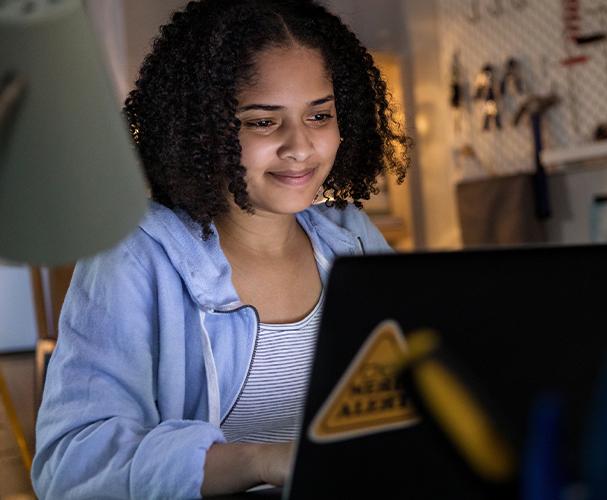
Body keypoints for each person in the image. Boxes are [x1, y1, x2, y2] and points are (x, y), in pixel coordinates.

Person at [31, 0, 409, 497]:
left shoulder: (354, 238)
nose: (300, 146)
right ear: (202, 129)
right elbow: (71, 465)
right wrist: (263, 460)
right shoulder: (135, 255)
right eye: (262, 122)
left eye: (320, 114)